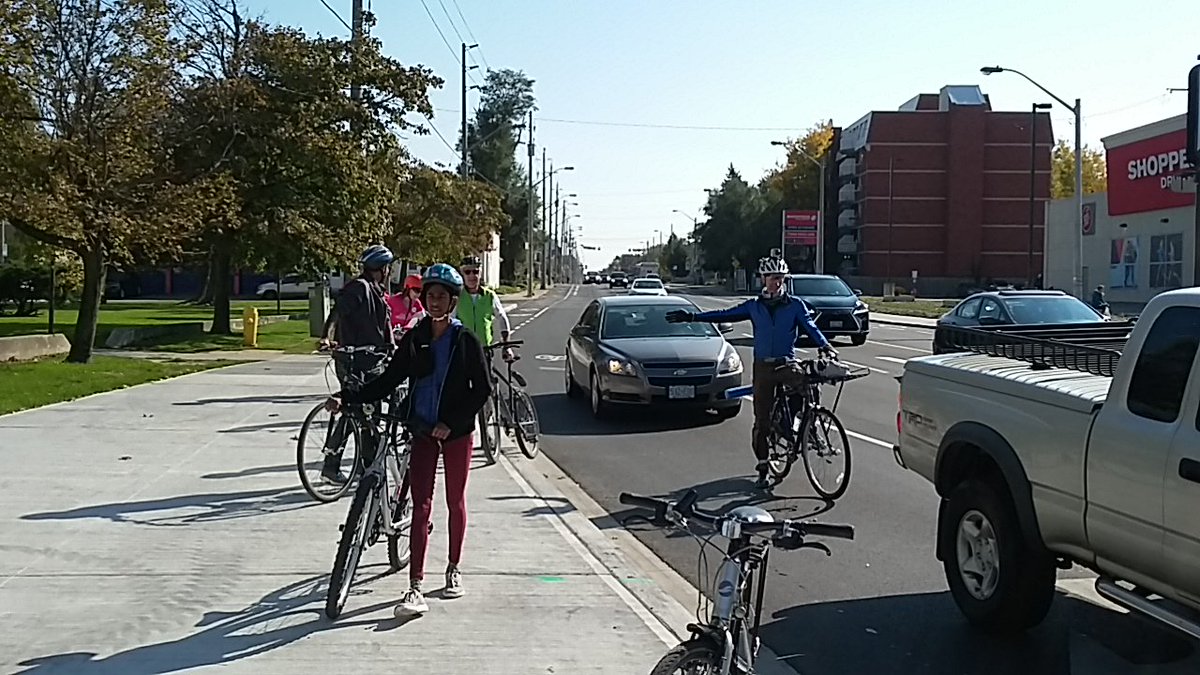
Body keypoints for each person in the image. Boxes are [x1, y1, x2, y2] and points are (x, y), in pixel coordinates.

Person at [325, 263, 491, 618]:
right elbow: (389, 378)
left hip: (456, 433)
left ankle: (453, 569)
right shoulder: (417, 338)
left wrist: (451, 422)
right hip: (422, 430)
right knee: (421, 505)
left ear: (452, 301)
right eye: (429, 296)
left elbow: (483, 390)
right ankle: (415, 585)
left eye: (441, 297)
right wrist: (347, 397)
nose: (434, 302)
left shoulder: (465, 341)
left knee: (454, 501)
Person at [666, 255, 836, 489]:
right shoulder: (754, 307)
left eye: (780, 278)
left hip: (787, 362)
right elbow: (724, 315)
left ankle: (804, 427)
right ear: (763, 280)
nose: (776, 282)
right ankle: (764, 467)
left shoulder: (795, 305)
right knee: (762, 422)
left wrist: (825, 346)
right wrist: (694, 317)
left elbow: (811, 326)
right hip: (763, 368)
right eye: (772, 278)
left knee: (808, 385)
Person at [318, 244, 396, 484]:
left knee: (365, 412)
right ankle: (336, 465)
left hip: (372, 359)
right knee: (357, 409)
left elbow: (384, 325)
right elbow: (338, 313)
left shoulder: (377, 291)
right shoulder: (358, 288)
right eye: (387, 268)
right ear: (381, 268)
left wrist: (391, 346)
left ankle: (364, 465)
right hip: (354, 359)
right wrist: (327, 336)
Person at [454, 255, 513, 360]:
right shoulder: (457, 297)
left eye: (475, 272)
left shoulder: (489, 296)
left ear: (480, 273)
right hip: (463, 351)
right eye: (467, 272)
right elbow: (449, 322)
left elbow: (502, 318)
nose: (472, 276)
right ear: (462, 274)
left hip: (485, 350)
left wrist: (506, 345)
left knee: (487, 376)